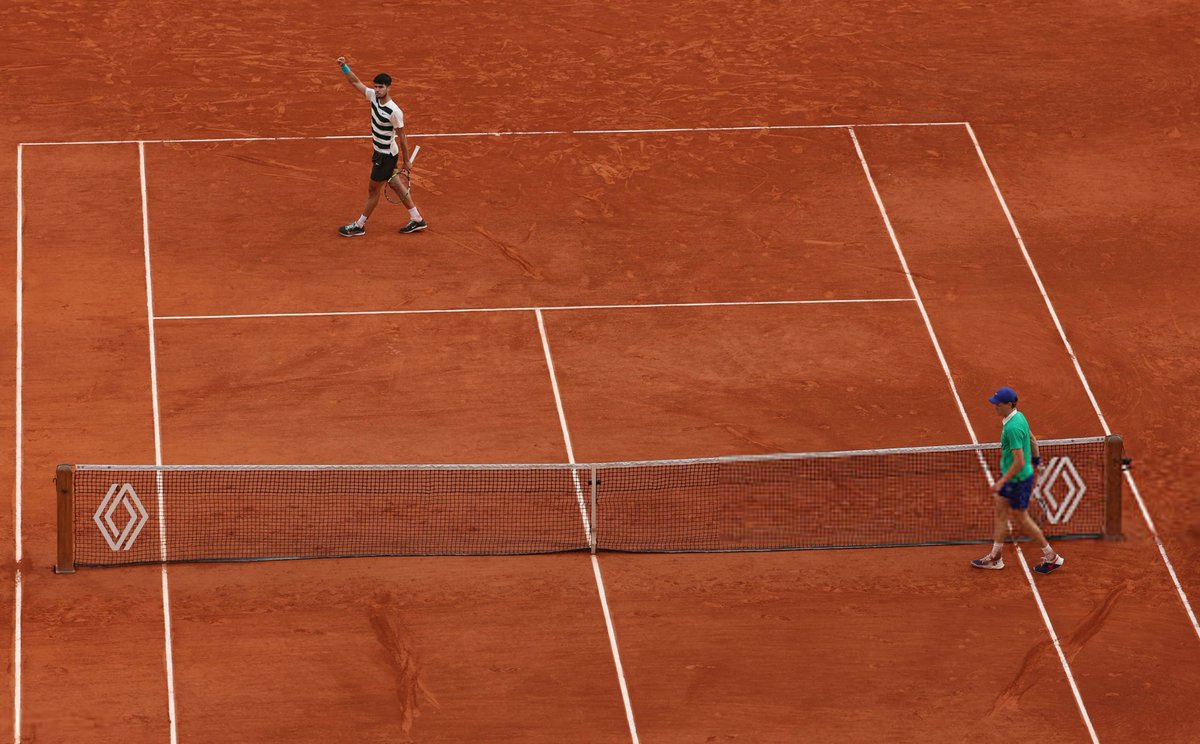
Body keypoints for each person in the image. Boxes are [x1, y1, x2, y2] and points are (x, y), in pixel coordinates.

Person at [971, 386, 1064, 574]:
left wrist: (1001, 481)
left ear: (1008, 404)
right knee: (1001, 512)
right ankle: (995, 557)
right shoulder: (1019, 417)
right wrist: (1037, 460)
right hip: (1016, 478)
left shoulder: (1012, 427)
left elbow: (1020, 461)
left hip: (1016, 480)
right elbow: (1032, 439)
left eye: (998, 404)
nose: (995, 407)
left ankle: (1052, 557)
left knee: (1022, 519)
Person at [335, 56, 427, 237]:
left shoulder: (394, 111)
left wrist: (406, 161)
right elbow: (355, 82)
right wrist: (344, 66)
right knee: (395, 183)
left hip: (386, 156)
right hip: (380, 154)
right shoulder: (373, 98)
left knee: (372, 190)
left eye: (380, 87)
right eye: (375, 86)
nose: (377, 90)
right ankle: (417, 219)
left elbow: (402, 138)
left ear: (388, 88)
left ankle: (359, 225)